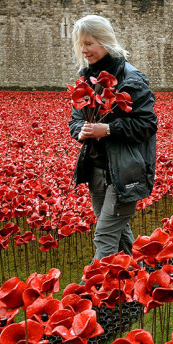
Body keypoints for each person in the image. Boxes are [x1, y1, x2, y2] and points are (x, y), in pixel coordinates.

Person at [68, 15, 157, 261]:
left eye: (89, 43)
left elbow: (147, 124)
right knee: (117, 232)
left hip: (126, 170)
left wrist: (107, 130)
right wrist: (81, 130)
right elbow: (75, 120)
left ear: (105, 42)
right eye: (81, 44)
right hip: (97, 168)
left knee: (105, 235)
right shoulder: (85, 78)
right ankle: (134, 277)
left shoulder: (132, 79)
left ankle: (93, 295)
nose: (84, 50)